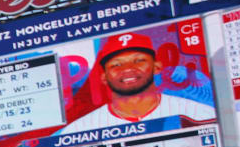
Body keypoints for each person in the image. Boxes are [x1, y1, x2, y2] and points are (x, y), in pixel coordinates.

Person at [52, 32, 218, 140]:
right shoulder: (78, 130)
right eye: (116, 64)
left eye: (139, 60)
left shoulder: (199, 113)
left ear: (157, 67)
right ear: (103, 77)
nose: (128, 69)